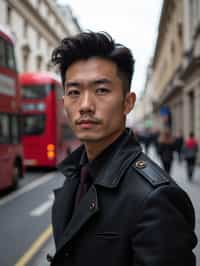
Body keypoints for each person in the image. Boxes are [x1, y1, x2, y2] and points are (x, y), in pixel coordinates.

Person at [48, 31, 197, 266]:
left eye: (101, 90)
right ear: (64, 101)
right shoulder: (75, 175)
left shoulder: (157, 198)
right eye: (74, 92)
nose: (85, 105)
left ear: (128, 102)